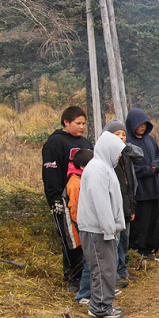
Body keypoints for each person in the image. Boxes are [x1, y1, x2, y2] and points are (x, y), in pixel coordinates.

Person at [41, 106, 93, 292]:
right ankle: (73, 276)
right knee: (70, 238)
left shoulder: (86, 142)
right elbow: (50, 172)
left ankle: (86, 275)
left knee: (84, 237)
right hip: (64, 198)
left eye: (84, 124)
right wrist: (54, 198)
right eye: (78, 123)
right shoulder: (55, 143)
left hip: (85, 197)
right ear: (66, 122)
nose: (81, 127)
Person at [77, 132, 126, 318]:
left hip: (102, 229)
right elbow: (101, 202)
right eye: (118, 151)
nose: (120, 155)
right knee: (101, 268)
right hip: (97, 230)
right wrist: (108, 229)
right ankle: (99, 307)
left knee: (107, 267)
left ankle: (103, 304)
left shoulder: (104, 168)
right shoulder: (97, 169)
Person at [104, 119, 141, 288]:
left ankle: (122, 270)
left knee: (124, 241)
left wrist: (132, 207)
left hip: (126, 207)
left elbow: (130, 185)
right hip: (113, 209)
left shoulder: (126, 156)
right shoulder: (106, 160)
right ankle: (113, 275)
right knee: (115, 241)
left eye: (123, 134)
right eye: (116, 134)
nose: (120, 137)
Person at [126, 108, 159, 261]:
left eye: (145, 124)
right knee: (140, 222)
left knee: (153, 221)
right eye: (140, 124)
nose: (142, 127)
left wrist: (155, 166)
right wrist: (149, 170)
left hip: (153, 189)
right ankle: (137, 251)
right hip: (139, 191)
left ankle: (150, 249)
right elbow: (129, 168)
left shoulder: (150, 139)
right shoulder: (127, 141)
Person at [65, 149, 96, 305]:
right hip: (82, 228)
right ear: (84, 166)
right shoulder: (75, 183)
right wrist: (85, 226)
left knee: (91, 261)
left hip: (87, 226)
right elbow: (75, 210)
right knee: (88, 262)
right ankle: (83, 294)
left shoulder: (83, 179)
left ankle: (93, 291)